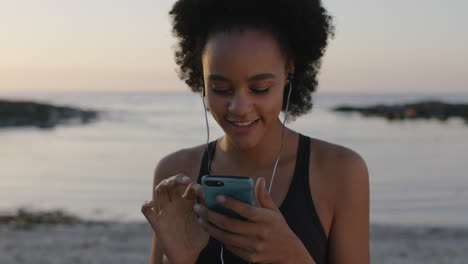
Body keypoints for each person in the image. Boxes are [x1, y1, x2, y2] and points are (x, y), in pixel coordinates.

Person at [141, 0, 369, 263]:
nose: (239, 108)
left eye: (259, 88)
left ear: (289, 73)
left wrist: (291, 255)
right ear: (200, 80)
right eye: (221, 89)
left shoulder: (340, 171)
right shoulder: (175, 173)